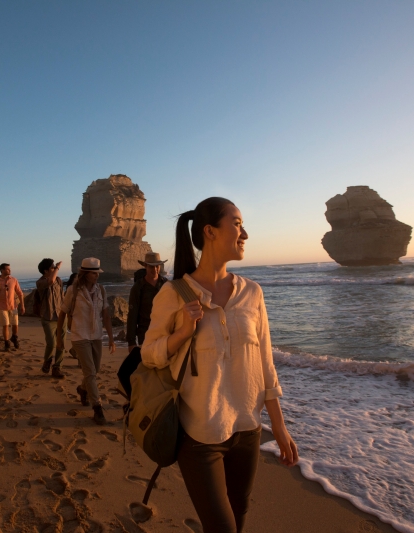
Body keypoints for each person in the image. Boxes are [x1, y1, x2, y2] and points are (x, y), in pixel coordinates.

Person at [141, 197, 299, 533]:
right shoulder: (174, 293)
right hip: (200, 436)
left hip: (247, 430)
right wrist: (183, 333)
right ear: (210, 231)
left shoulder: (252, 293)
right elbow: (149, 354)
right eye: (238, 223)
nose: (245, 234)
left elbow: (265, 364)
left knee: (238, 517)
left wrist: (279, 427)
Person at [56, 257, 116, 425]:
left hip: (96, 335)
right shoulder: (73, 291)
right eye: (93, 273)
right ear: (85, 274)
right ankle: (97, 408)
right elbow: (62, 313)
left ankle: (82, 389)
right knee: (90, 372)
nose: (97, 276)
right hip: (79, 336)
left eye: (98, 273)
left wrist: (111, 338)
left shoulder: (101, 290)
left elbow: (105, 315)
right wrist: (60, 339)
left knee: (94, 370)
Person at [127, 251, 168, 353]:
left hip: (164, 332)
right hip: (145, 334)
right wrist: (131, 342)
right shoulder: (138, 288)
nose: (155, 269)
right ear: (145, 266)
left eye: (157, 266)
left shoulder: (166, 285)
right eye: (151, 266)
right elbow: (132, 315)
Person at [36, 258, 65, 378]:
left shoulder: (58, 280)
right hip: (47, 317)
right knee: (52, 343)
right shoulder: (40, 282)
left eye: (54, 267)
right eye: (52, 267)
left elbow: (62, 296)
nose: (54, 269)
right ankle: (47, 361)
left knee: (61, 343)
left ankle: (57, 367)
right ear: (46, 270)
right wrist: (58, 267)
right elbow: (50, 281)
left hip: (61, 316)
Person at [0, 263, 25, 352]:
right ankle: (6, 343)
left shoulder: (14, 280)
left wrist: (22, 306)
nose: (10, 271)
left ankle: (14, 337)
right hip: (1, 306)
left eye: (9, 269)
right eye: (7, 269)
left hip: (13, 306)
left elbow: (20, 293)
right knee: (5, 325)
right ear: (2, 270)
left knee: (15, 324)